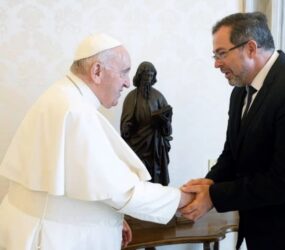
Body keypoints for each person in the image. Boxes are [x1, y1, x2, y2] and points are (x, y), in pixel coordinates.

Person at [0, 33, 193, 250]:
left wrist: (111, 218)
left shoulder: (64, 95)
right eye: (124, 72)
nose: (128, 83)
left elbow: (84, 181)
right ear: (97, 71)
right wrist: (182, 198)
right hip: (52, 237)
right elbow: (121, 192)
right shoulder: (76, 111)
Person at [180, 12, 285, 250]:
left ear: (250, 48)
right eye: (215, 55)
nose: (216, 63)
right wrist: (209, 182)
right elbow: (232, 154)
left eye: (221, 53)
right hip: (265, 229)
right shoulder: (240, 92)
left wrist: (215, 195)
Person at [121, 61, 172, 185]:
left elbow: (168, 130)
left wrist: (164, 121)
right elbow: (125, 126)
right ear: (139, 76)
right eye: (145, 75)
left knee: (156, 180)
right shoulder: (132, 98)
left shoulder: (159, 97)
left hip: (156, 147)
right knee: (139, 179)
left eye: (150, 75)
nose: (148, 79)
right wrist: (127, 128)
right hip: (138, 145)